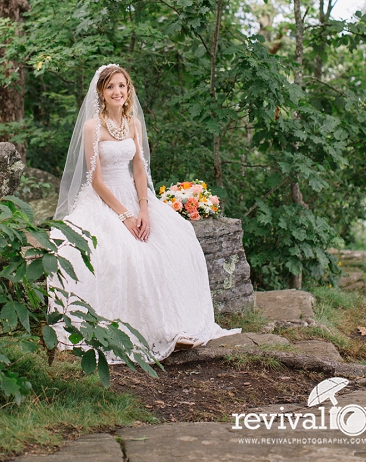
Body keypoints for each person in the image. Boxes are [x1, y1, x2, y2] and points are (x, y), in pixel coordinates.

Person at [48, 63, 239, 364]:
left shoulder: (133, 124)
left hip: (136, 197)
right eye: (111, 86)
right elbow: (95, 180)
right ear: (101, 91)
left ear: (128, 90)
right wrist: (125, 215)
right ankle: (153, 332)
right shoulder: (92, 127)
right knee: (128, 255)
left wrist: (144, 209)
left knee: (179, 241)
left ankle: (180, 328)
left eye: (122, 86)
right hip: (105, 199)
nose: (117, 91)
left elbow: (139, 168)